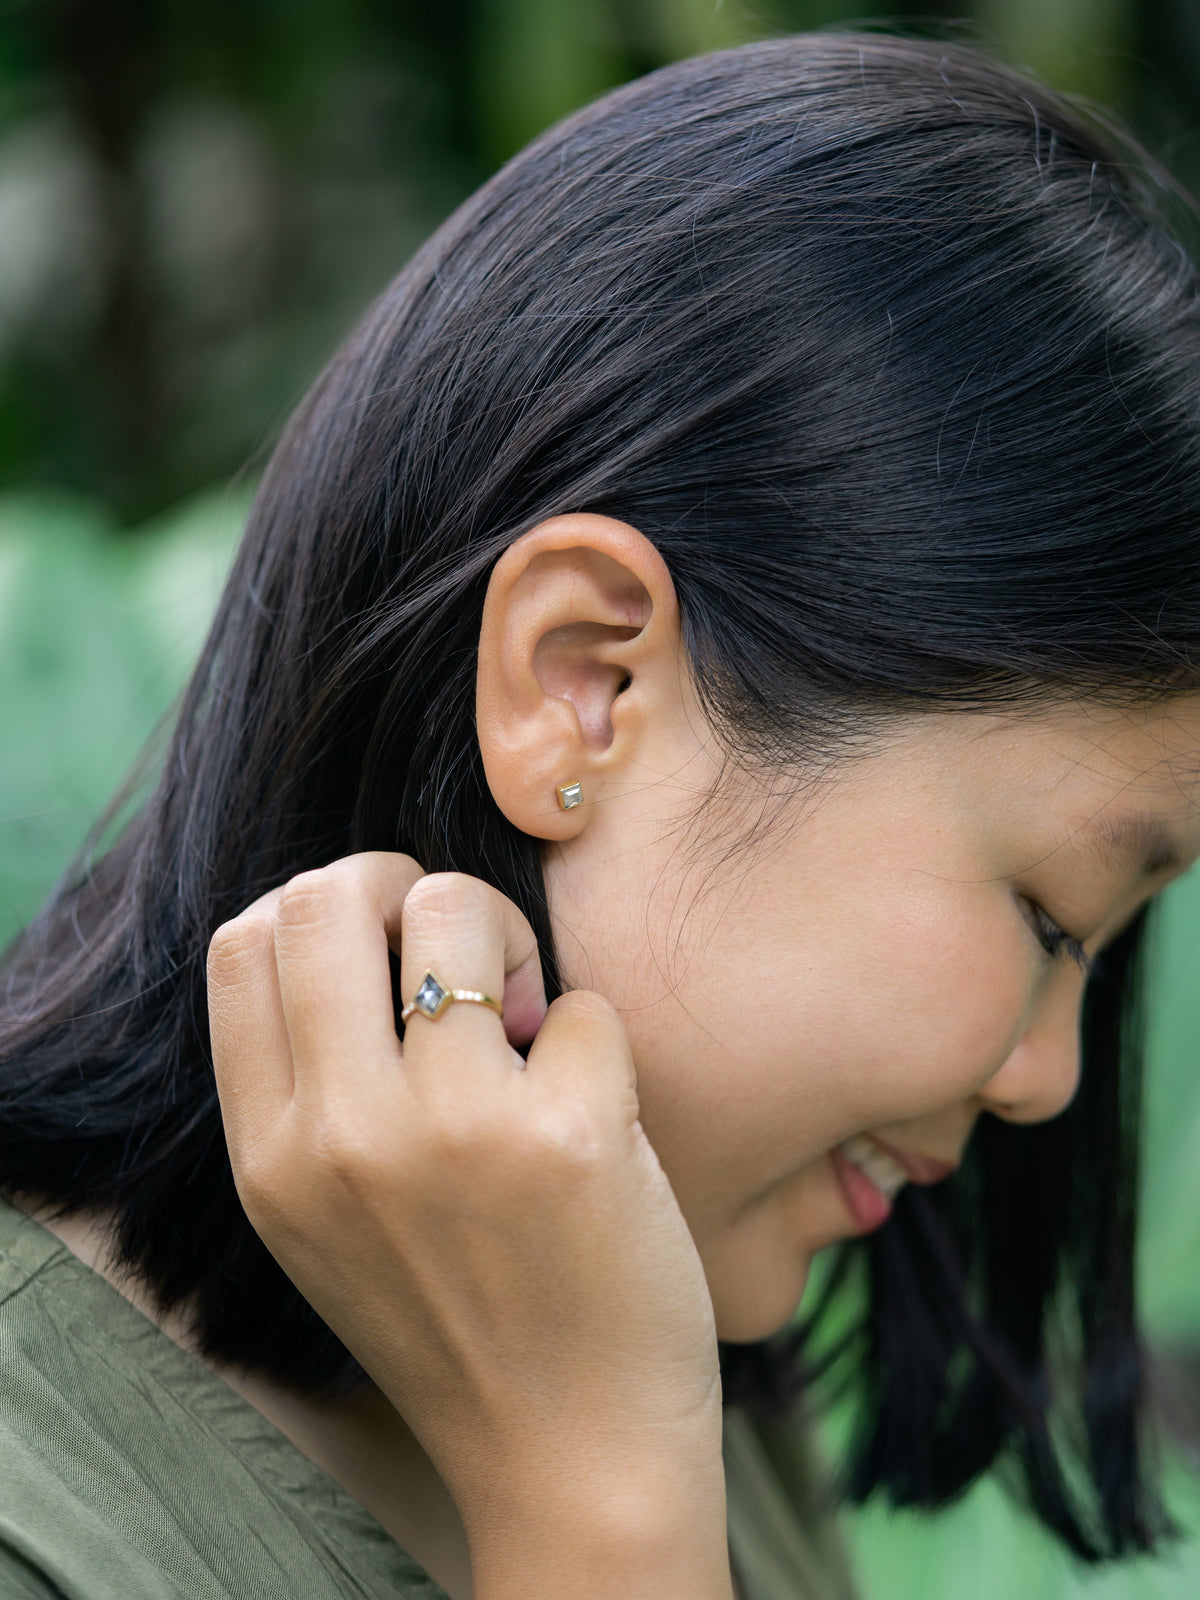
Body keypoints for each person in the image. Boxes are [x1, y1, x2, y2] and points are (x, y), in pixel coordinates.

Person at [3, 28, 1200, 1600]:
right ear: (584, 685)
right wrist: (601, 1497)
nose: (1049, 1077)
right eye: (1051, 915)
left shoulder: (654, 1299)